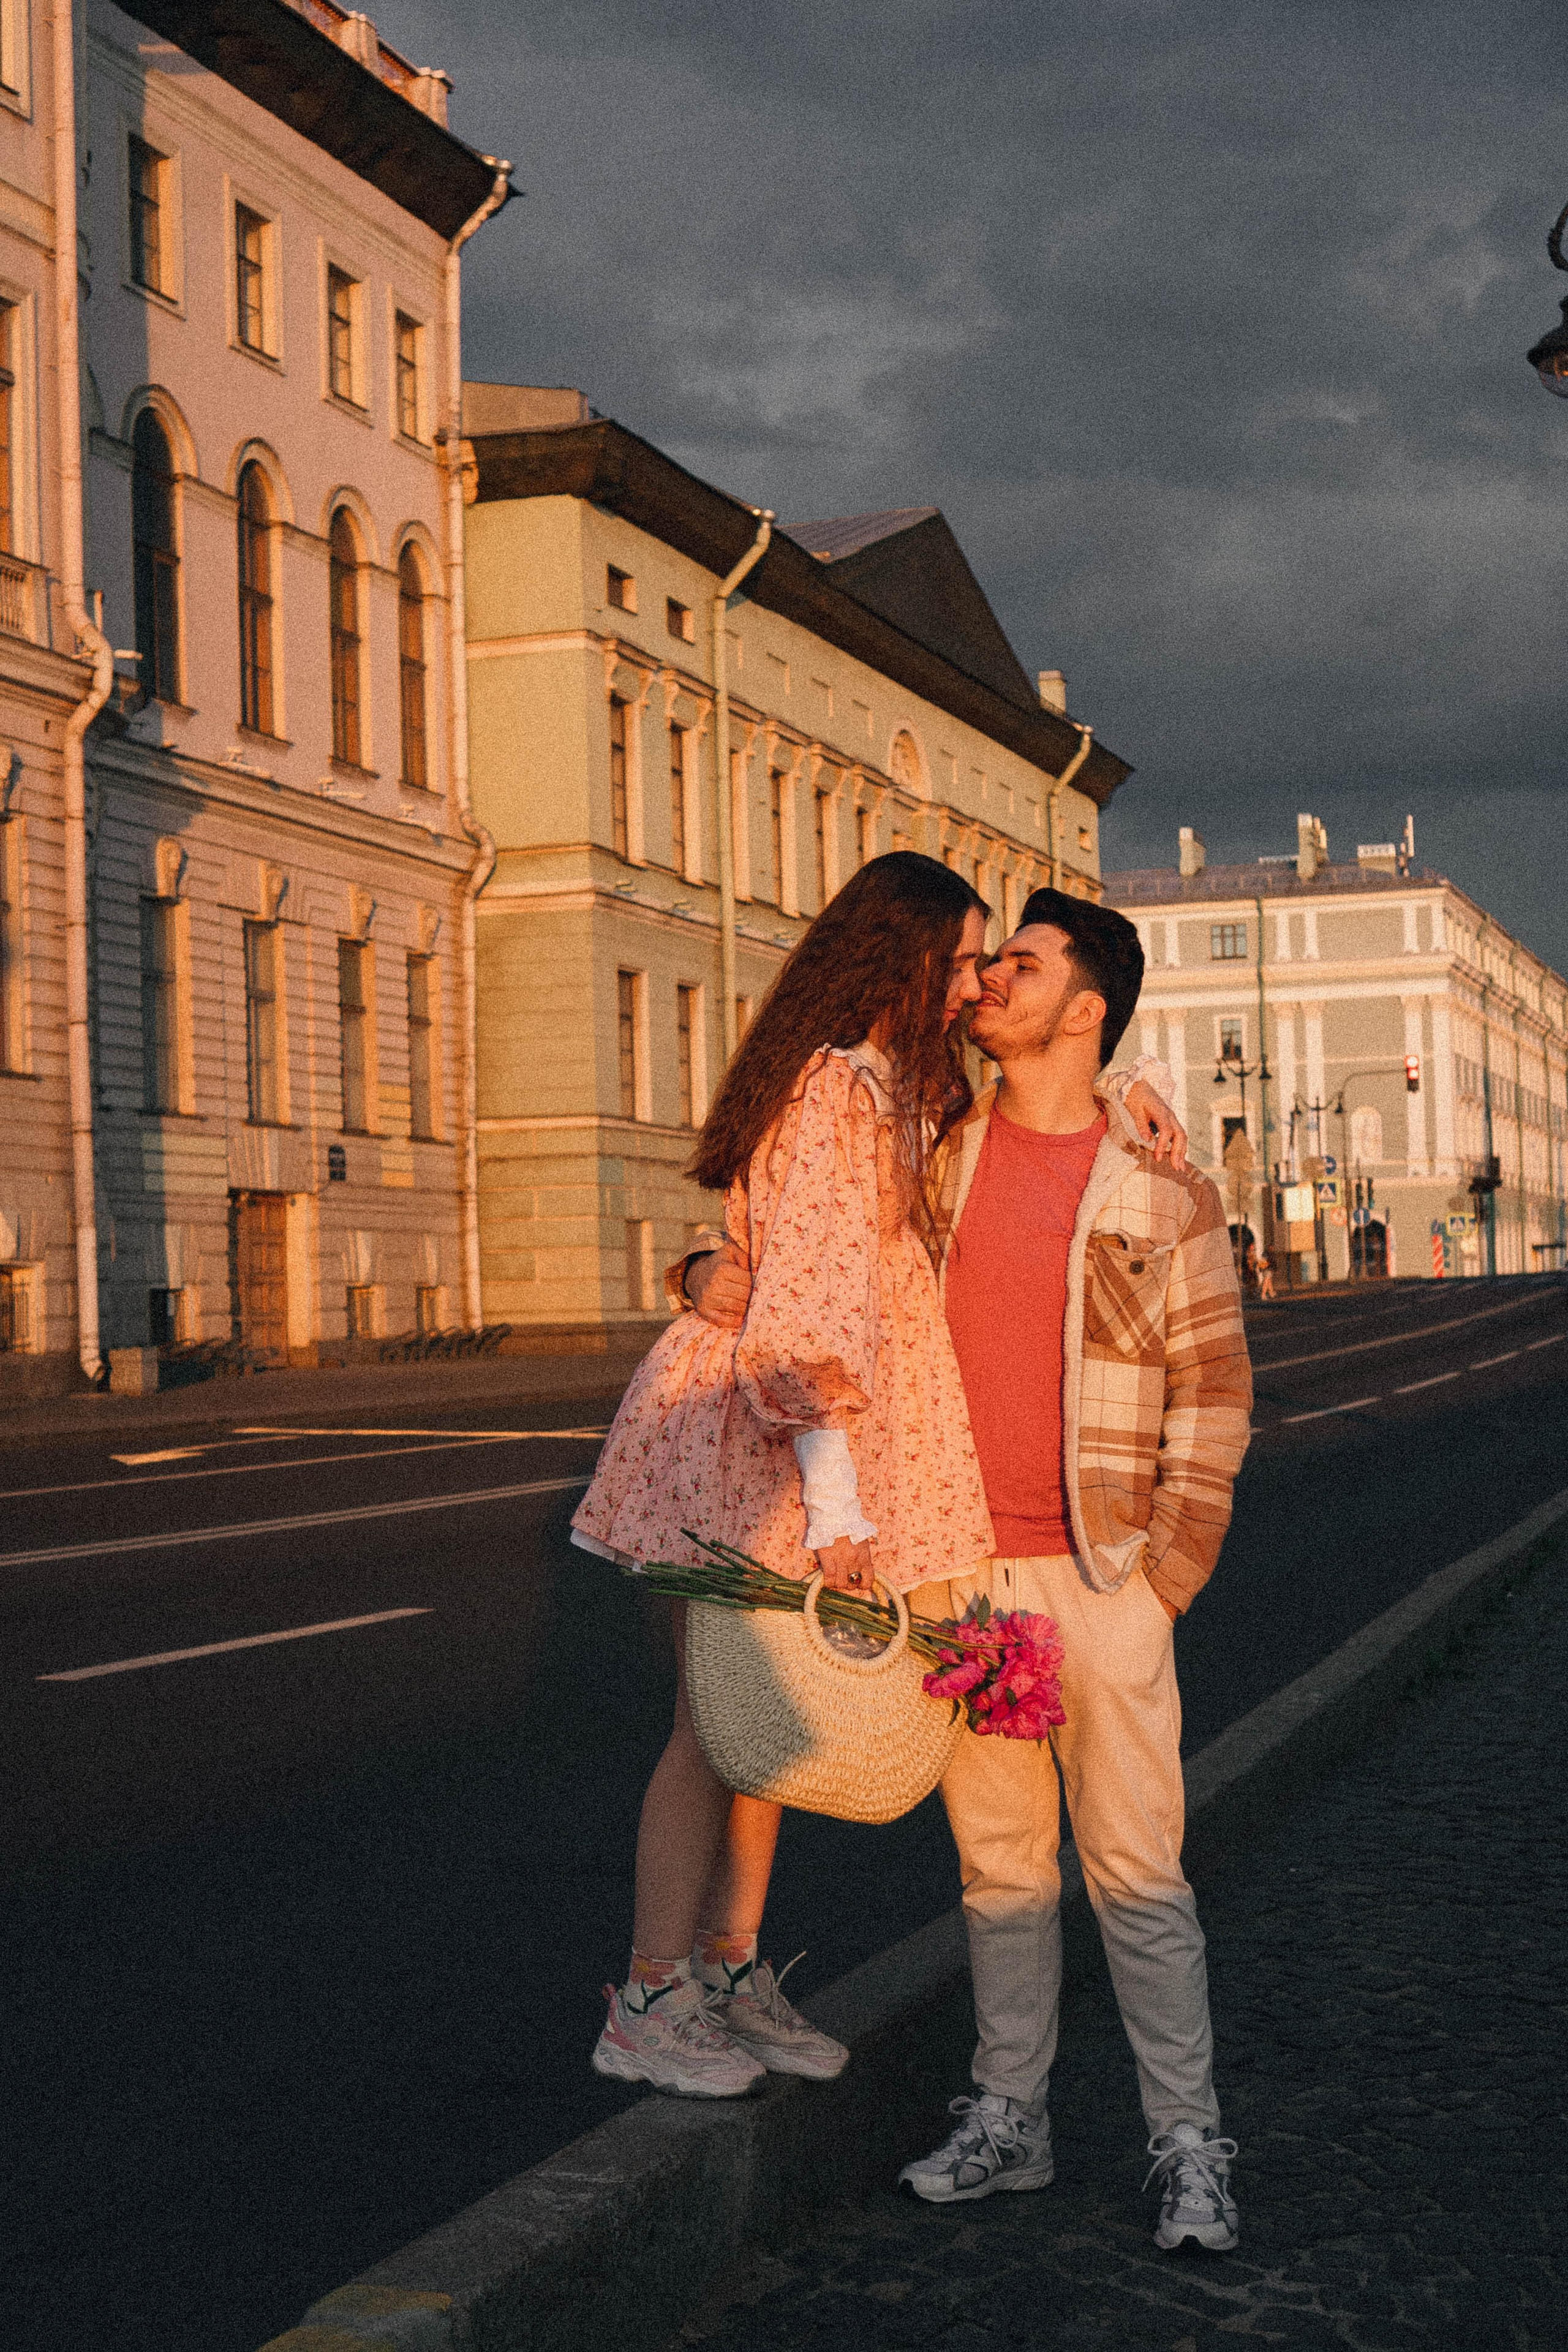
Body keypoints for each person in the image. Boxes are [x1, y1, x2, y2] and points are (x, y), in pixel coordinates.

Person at [687, 888, 1252, 2253]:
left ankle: (1187, 2143)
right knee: (999, 1870)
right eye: (989, 960)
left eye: (1023, 964)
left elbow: (1214, 1390)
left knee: (1136, 1875)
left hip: (1103, 1576)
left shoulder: (1157, 1184)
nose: (990, 980)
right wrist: (698, 1264)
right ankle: (1011, 2118)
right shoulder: (929, 1154)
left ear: (1087, 1009)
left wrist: (1164, 1574)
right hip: (958, 1576)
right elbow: (800, 1243)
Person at [574, 852, 1183, 2103]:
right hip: (773, 1447)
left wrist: (1131, 1094)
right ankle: (645, 1996)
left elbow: (1044, 1116)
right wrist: (840, 1506)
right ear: (900, 961)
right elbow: (803, 1314)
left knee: (769, 1719)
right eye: (963, 961)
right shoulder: (836, 1092)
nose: (974, 985)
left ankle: (730, 1968)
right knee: (710, 1730)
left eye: (990, 965)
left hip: (813, 1445)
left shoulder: (903, 1097)